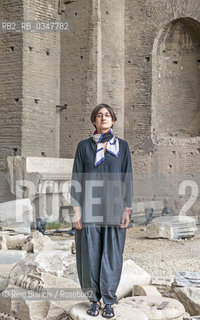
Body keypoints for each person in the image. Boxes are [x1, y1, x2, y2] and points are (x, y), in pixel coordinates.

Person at [70, 103, 133, 318]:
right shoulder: (84, 147)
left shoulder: (122, 147)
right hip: (89, 208)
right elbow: (77, 178)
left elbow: (127, 178)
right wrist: (76, 209)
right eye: (99, 115)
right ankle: (93, 300)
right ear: (94, 121)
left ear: (113, 120)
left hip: (115, 209)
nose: (103, 118)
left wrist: (127, 209)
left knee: (113, 253)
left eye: (107, 115)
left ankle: (108, 300)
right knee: (89, 253)